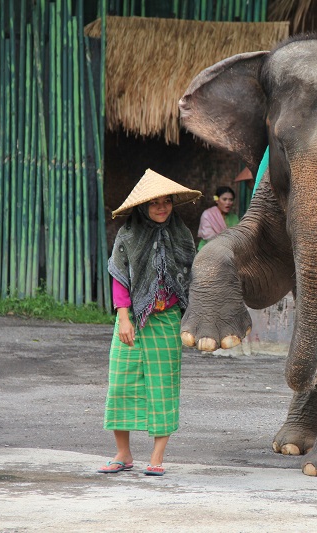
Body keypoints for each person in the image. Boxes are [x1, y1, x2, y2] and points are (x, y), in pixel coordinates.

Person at [98, 169, 200, 476]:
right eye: (155, 202)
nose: (162, 207)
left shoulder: (182, 235)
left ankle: (156, 458)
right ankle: (122, 454)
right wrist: (124, 317)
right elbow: (119, 279)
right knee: (121, 384)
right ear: (143, 205)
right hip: (130, 323)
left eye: (167, 201)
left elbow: (192, 278)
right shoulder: (127, 236)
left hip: (166, 321)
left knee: (163, 387)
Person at [197, 185, 239, 250]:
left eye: (231, 200)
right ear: (217, 200)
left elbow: (237, 237)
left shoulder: (234, 217)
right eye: (224, 199)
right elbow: (209, 237)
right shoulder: (208, 215)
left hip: (229, 252)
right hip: (207, 250)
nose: (228, 202)